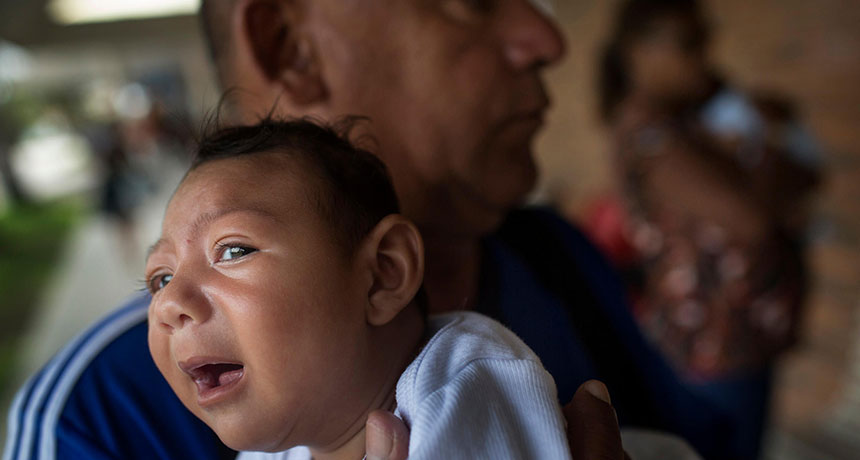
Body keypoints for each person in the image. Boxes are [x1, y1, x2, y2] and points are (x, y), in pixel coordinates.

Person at [5, 1, 732, 459]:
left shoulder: (551, 269)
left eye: (233, 251)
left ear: (386, 272)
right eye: (475, 2)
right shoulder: (90, 424)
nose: (544, 37)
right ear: (292, 45)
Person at [146, 117, 571, 459]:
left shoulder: (461, 382)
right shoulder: (276, 451)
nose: (169, 302)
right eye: (160, 278)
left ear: (383, 274)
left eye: (234, 250)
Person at [592, 0, 822, 457]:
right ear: (639, 52)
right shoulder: (651, 135)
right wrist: (771, 145)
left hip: (739, 341)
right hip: (713, 352)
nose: (704, 54)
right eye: (688, 43)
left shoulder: (693, 120)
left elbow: (807, 178)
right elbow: (752, 219)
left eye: (704, 37)